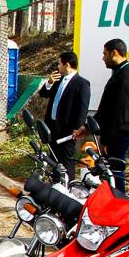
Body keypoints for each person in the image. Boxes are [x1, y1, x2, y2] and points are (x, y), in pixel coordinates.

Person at [77, 38, 129, 191]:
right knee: (108, 172)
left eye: (105, 53)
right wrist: (87, 127)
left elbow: (118, 113)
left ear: (114, 53)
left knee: (114, 173)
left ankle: (118, 202)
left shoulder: (126, 77)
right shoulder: (119, 73)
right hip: (116, 133)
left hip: (119, 134)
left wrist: (105, 139)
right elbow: (106, 108)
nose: (103, 57)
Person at [38, 51, 90, 180]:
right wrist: (49, 82)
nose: (57, 67)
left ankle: (68, 187)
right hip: (53, 126)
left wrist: (77, 128)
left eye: (59, 64)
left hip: (67, 130)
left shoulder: (81, 83)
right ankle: (56, 185)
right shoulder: (58, 80)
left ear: (66, 64)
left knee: (66, 161)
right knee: (54, 159)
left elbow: (82, 108)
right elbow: (43, 94)